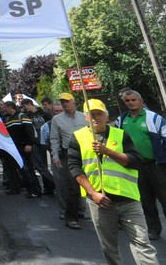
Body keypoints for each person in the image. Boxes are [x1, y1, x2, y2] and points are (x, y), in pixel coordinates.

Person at [67, 98, 159, 265]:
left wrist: (107, 151)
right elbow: (75, 168)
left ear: (106, 115)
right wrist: (93, 193)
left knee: (142, 243)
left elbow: (135, 161)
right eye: (91, 114)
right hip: (100, 202)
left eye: (99, 114)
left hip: (128, 199)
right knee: (109, 248)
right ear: (86, 117)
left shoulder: (121, 134)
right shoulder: (77, 138)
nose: (96, 118)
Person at [115, 89, 166, 243]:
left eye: (133, 100)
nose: (130, 103)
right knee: (146, 201)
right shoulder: (121, 120)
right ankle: (154, 230)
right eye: (127, 101)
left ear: (140, 101)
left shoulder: (154, 118)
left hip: (157, 166)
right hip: (136, 167)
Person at [50, 92, 89, 229]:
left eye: (67, 101)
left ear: (73, 102)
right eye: (62, 102)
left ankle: (81, 210)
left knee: (87, 183)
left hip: (87, 153)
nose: (65, 104)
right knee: (71, 185)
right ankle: (70, 217)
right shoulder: (57, 119)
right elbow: (54, 139)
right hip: (69, 154)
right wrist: (55, 155)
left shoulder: (84, 116)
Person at [1, 101, 41, 198]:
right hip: (14, 148)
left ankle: (35, 190)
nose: (3, 109)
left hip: (24, 146)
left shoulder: (21, 116)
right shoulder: (6, 119)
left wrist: (29, 144)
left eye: (4, 107)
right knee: (21, 170)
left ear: (10, 107)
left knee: (27, 169)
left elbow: (29, 130)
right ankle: (27, 189)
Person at [21, 98, 55, 195]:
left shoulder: (44, 114)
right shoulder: (26, 116)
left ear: (29, 104)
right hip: (36, 143)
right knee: (42, 165)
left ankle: (52, 185)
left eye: (24, 106)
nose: (24, 108)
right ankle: (49, 187)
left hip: (47, 141)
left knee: (46, 165)